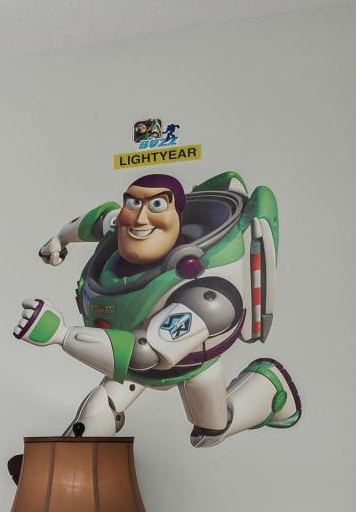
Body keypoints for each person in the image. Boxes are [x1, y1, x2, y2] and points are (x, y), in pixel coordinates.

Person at [16, 170, 299, 447]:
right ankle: (68, 469)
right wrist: (60, 239)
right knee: (97, 410)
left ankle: (270, 386)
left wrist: (62, 335)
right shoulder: (121, 231)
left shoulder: (206, 294)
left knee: (210, 431)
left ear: (177, 214)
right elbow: (97, 220)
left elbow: (143, 353)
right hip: (129, 365)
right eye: (133, 203)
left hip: (188, 366)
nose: (140, 218)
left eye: (157, 205)